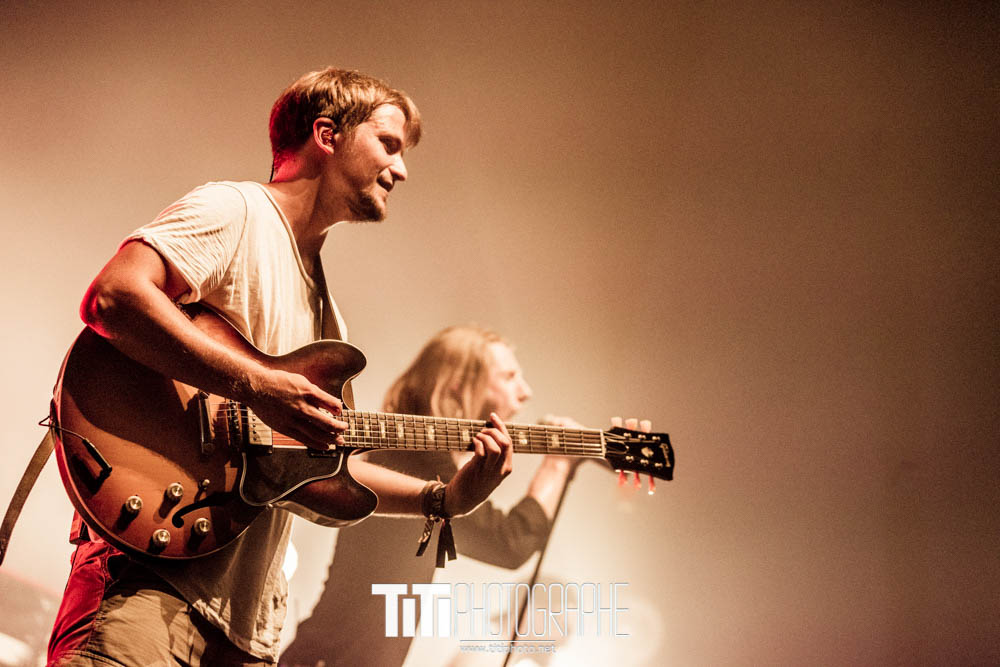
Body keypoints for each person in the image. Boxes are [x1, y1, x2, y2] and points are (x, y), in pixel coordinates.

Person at [47, 67, 516, 666]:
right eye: (389, 145)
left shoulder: (331, 324)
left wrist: (442, 498)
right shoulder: (235, 210)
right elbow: (113, 297)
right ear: (327, 133)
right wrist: (255, 384)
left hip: (246, 632)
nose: (401, 170)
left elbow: (298, 480)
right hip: (148, 592)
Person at [280, 326, 577, 667]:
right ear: (458, 384)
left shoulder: (413, 457)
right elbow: (509, 543)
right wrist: (557, 465)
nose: (525, 392)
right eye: (509, 377)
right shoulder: (415, 460)